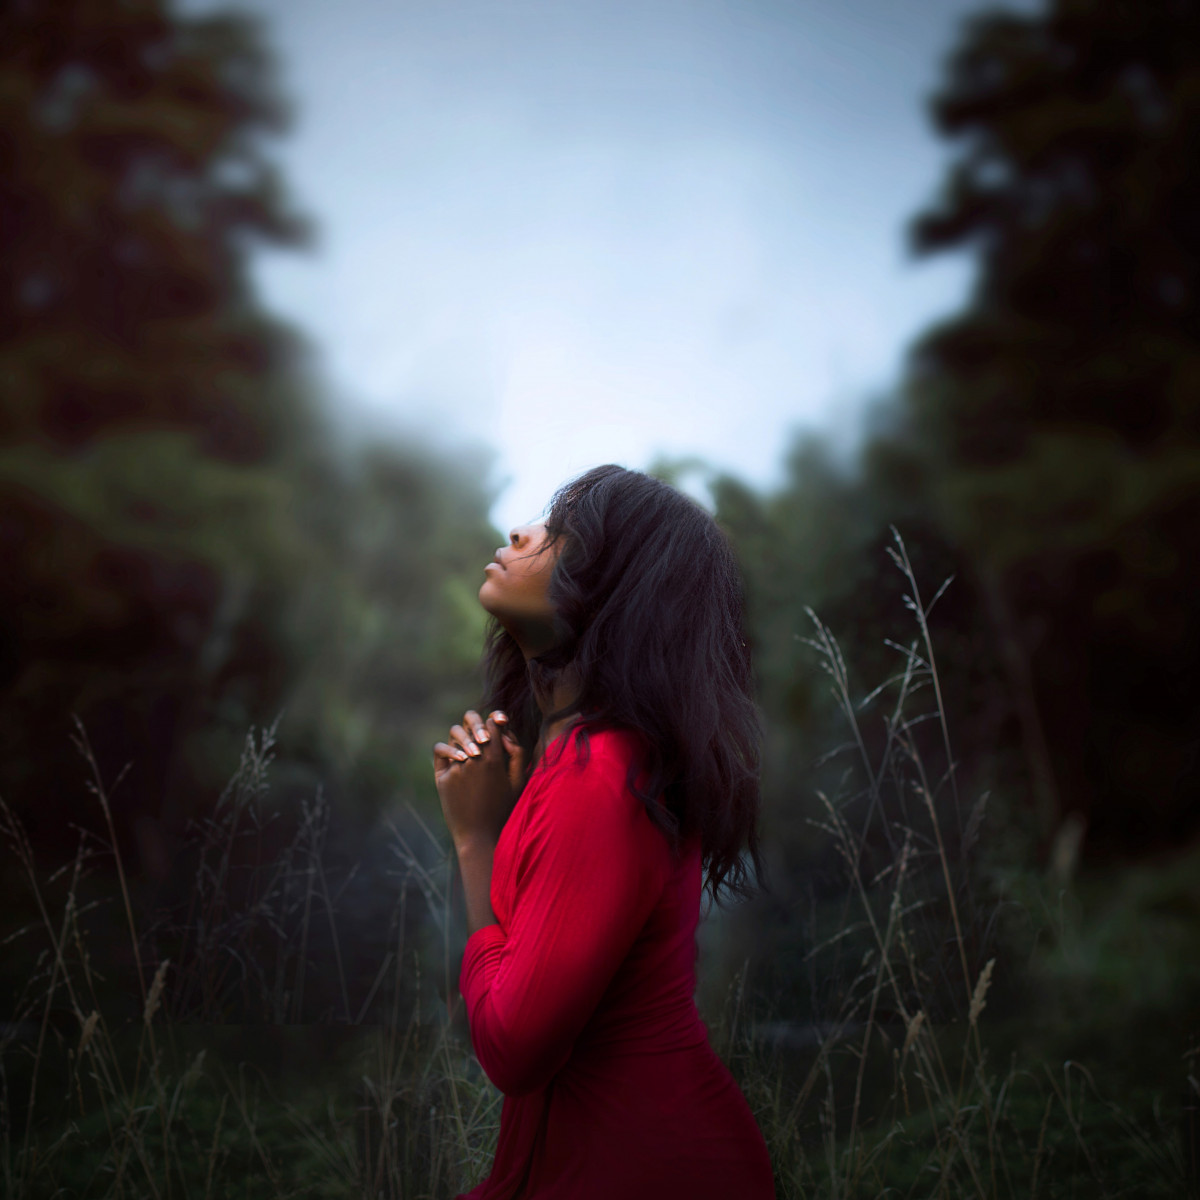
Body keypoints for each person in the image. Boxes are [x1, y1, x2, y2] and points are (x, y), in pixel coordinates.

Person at [433, 464, 775, 1198]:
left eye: (561, 536)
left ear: (618, 592)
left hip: (645, 1168)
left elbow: (515, 1050)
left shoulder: (602, 781)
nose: (521, 532)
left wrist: (473, 841)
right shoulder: (586, 765)